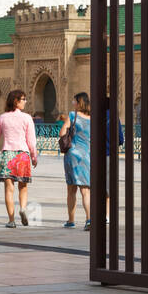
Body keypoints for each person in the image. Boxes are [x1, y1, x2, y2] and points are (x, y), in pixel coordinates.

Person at [0, 89, 38, 227]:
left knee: (9, 188)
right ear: (16, 101)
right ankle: (23, 208)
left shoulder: (3, 118)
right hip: (23, 155)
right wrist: (34, 156)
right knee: (23, 186)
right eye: (23, 99)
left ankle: (11, 220)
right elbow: (31, 140)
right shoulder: (27, 118)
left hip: (8, 154)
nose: (25, 102)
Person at [60, 91, 91, 230]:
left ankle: (71, 220)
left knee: (71, 189)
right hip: (87, 155)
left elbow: (62, 133)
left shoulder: (73, 116)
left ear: (79, 103)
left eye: (74, 101)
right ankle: (89, 219)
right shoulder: (92, 118)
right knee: (85, 190)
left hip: (72, 155)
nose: (73, 103)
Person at [104, 94, 125, 223]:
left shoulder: (93, 117)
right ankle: (107, 215)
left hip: (92, 156)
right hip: (109, 155)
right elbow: (121, 139)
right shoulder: (114, 118)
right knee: (108, 188)